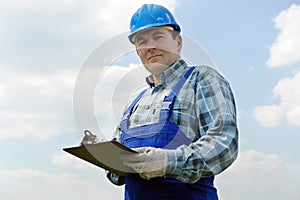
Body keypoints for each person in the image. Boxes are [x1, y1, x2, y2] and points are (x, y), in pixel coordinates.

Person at [106, 4, 239, 200]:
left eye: (158, 37)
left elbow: (224, 144)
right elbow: (116, 169)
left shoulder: (201, 79)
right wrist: (106, 158)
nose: (150, 46)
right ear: (137, 51)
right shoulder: (136, 97)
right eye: (141, 41)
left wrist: (166, 162)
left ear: (178, 42)